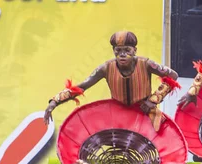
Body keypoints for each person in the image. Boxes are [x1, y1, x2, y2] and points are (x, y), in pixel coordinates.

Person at [44, 31, 179, 132]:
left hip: (145, 114)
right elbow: (82, 87)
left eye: (127, 50)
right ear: (113, 51)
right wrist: (54, 101)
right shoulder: (106, 68)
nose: (122, 54)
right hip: (117, 116)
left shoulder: (147, 64)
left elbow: (173, 75)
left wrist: (153, 100)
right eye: (118, 50)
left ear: (135, 50)